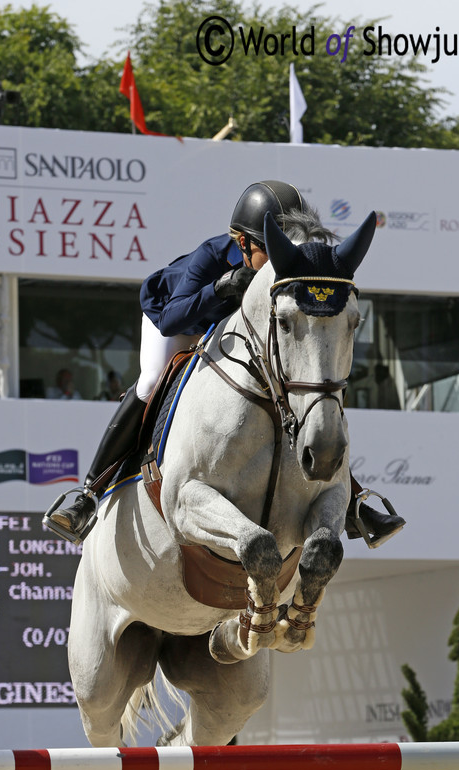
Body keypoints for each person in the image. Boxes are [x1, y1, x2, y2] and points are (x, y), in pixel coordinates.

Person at [45, 181, 406, 546]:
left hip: (229, 331)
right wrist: (220, 287)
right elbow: (173, 318)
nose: (280, 261)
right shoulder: (212, 256)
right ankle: (89, 494)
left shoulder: (291, 265)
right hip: (177, 318)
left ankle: (353, 503)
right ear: (243, 243)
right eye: (271, 250)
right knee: (152, 380)